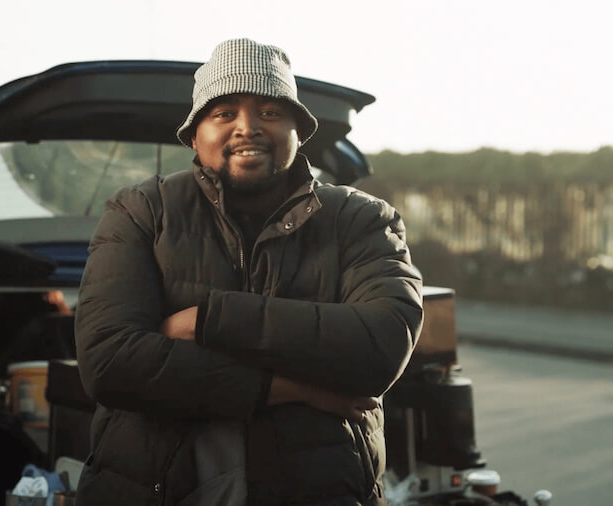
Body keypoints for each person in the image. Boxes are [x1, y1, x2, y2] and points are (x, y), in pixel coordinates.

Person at [75, 38, 423, 505]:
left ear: (299, 130)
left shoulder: (360, 219)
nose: (248, 128)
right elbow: (110, 363)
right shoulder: (141, 211)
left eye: (270, 112)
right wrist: (289, 388)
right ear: (195, 134)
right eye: (224, 113)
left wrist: (206, 321)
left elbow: (381, 344)